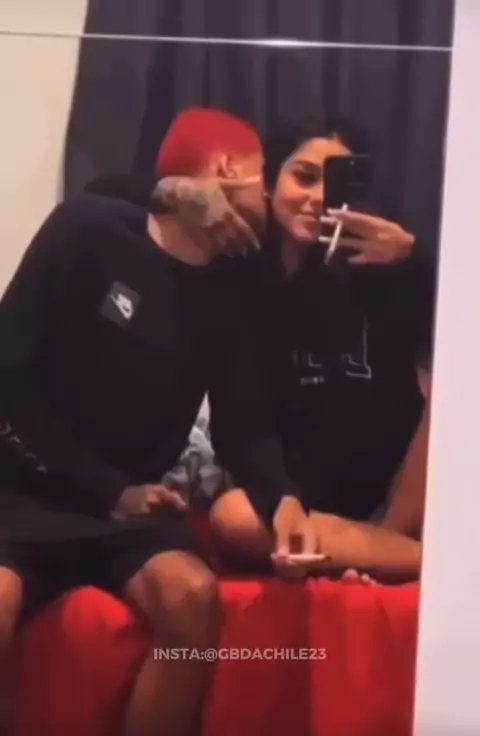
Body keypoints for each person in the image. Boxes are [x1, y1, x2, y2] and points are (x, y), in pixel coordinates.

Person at [0, 107, 311, 736]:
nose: (268, 195)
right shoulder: (89, 229)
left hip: (133, 510)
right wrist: (107, 490)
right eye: (264, 175)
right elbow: (8, 384)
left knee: (194, 598)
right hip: (27, 493)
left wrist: (282, 500)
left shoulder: (236, 287)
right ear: (226, 167)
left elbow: (244, 423)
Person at [155, 118, 434, 580]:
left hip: (395, 497)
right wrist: (281, 498)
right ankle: (401, 557)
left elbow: (456, 338)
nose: (318, 197)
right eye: (304, 177)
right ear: (269, 183)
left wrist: (413, 260)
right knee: (232, 516)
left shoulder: (380, 269)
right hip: (299, 501)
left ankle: (383, 545)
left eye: (335, 183)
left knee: (452, 394)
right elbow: (243, 423)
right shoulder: (240, 282)